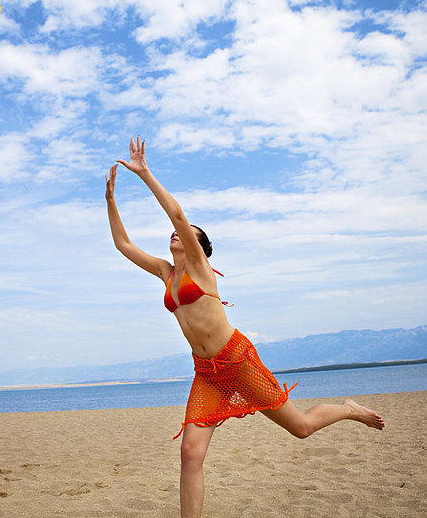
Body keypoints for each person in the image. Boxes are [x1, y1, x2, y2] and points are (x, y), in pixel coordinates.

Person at [105, 136, 384, 518]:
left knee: (300, 428)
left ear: (198, 247)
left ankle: (349, 409)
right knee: (190, 453)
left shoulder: (200, 269)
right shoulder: (166, 273)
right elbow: (122, 244)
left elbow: (178, 215)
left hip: (237, 360)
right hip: (207, 373)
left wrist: (145, 174)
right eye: (173, 235)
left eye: (187, 235)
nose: (175, 235)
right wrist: (110, 202)